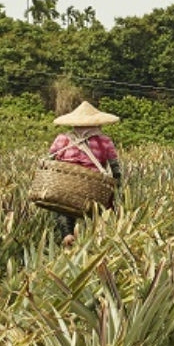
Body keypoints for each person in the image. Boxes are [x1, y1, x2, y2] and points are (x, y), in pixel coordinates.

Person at [47, 101, 123, 246]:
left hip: (66, 182)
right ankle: (96, 238)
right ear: (97, 123)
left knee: (62, 207)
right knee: (101, 210)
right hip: (92, 186)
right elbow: (114, 168)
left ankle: (67, 234)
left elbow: (50, 159)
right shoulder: (104, 141)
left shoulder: (62, 139)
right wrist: (117, 187)